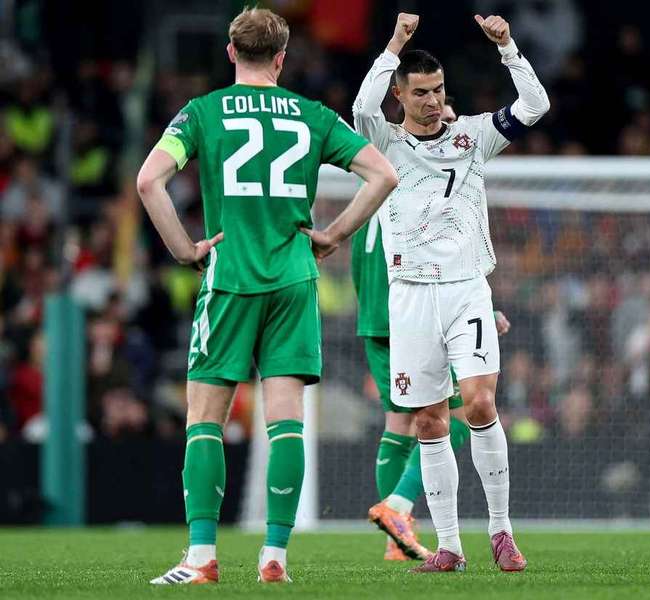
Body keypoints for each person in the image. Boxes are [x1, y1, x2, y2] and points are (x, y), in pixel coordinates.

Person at [136, 7, 397, 585]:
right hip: (293, 281)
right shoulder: (311, 115)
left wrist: (185, 249)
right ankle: (275, 556)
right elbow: (383, 175)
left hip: (230, 279)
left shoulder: (202, 113)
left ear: (231, 52)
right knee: (286, 423)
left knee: (205, 419)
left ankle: (202, 557)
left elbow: (148, 180)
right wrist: (334, 234)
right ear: (283, 57)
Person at [353, 12, 549, 573]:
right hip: (410, 295)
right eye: (421, 92)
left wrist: (509, 45)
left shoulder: (474, 137)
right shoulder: (384, 142)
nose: (433, 101)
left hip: (467, 290)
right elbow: (361, 108)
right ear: (401, 94)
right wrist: (393, 43)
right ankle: (449, 547)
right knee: (429, 422)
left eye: (439, 90)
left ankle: (502, 532)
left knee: (481, 403)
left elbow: (535, 106)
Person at [351, 98, 513, 562]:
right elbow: (433, 257)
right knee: (460, 413)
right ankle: (399, 506)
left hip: (378, 314)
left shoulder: (376, 187)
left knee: (399, 422)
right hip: (409, 306)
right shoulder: (410, 182)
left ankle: (395, 537)